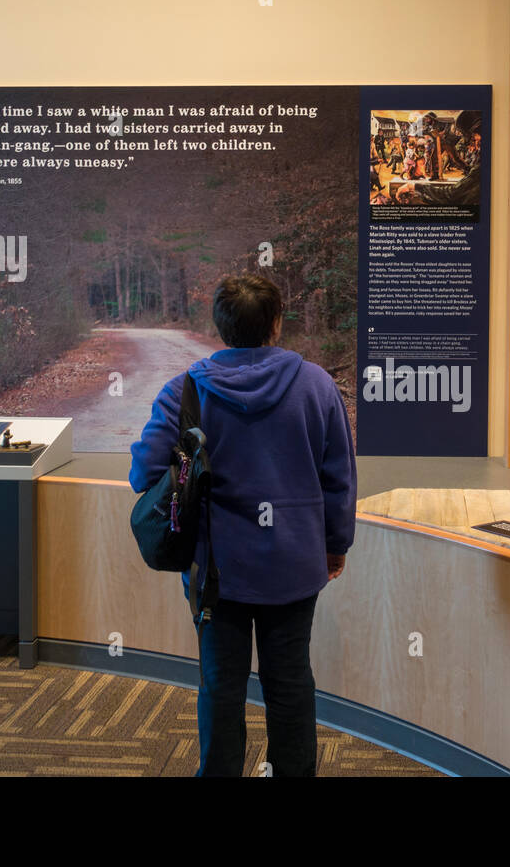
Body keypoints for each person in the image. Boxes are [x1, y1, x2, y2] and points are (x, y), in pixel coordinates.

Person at [129, 273, 357, 777]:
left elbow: (143, 472)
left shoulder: (186, 389)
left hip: (217, 571)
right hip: (295, 566)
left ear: (219, 326)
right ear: (277, 323)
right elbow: (339, 478)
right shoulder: (317, 385)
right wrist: (336, 545)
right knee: (291, 682)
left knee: (221, 686)